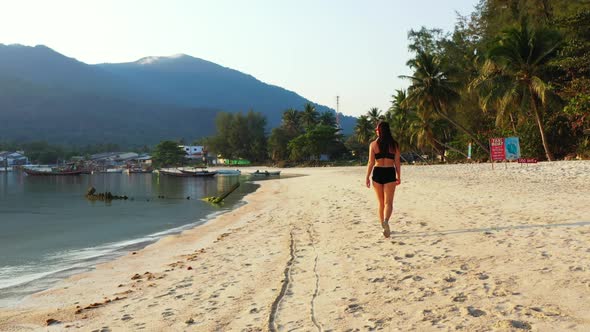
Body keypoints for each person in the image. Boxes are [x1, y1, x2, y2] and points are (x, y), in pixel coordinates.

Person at [365, 121, 401, 238]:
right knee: (388, 202)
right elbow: (397, 163)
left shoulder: (373, 145)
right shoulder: (394, 145)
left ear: (379, 131)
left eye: (377, 129)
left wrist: (367, 177)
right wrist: (399, 176)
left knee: (381, 203)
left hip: (378, 172)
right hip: (390, 172)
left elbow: (370, 162)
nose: (376, 130)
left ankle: (383, 227)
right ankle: (386, 220)